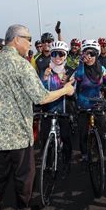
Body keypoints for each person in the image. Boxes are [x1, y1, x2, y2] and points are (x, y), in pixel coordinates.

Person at [0, 24, 74, 210]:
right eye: (28, 39)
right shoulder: (21, 65)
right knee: (24, 177)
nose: (31, 43)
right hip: (18, 134)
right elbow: (41, 97)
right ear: (16, 39)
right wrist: (66, 90)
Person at [75, 39, 106, 162]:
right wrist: (81, 63)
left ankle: (100, 153)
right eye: (87, 53)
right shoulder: (80, 68)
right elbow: (79, 77)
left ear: (97, 54)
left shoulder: (101, 69)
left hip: (97, 103)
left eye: (93, 54)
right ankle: (84, 154)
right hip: (82, 104)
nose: (89, 57)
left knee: (101, 132)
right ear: (83, 54)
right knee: (83, 133)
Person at [40, 41, 74, 177]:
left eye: (61, 54)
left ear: (65, 55)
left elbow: (72, 91)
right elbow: (39, 91)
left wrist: (68, 85)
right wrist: (45, 78)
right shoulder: (45, 69)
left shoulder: (70, 71)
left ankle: (66, 162)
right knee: (44, 138)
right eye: (54, 54)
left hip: (65, 110)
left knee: (66, 138)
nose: (57, 57)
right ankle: (47, 164)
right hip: (48, 110)